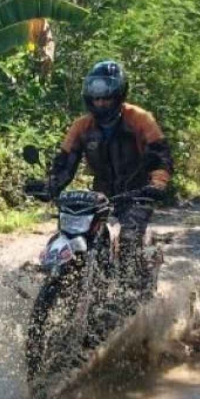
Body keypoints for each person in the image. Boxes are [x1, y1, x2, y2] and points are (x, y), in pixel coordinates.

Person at [36, 60, 173, 283]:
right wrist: (49, 185)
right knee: (73, 233)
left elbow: (160, 156)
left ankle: (130, 293)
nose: (100, 103)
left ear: (118, 96)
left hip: (137, 194)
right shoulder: (82, 126)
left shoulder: (140, 119)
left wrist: (157, 184)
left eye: (106, 98)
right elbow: (65, 162)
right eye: (96, 98)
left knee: (128, 240)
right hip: (100, 196)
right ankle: (64, 279)